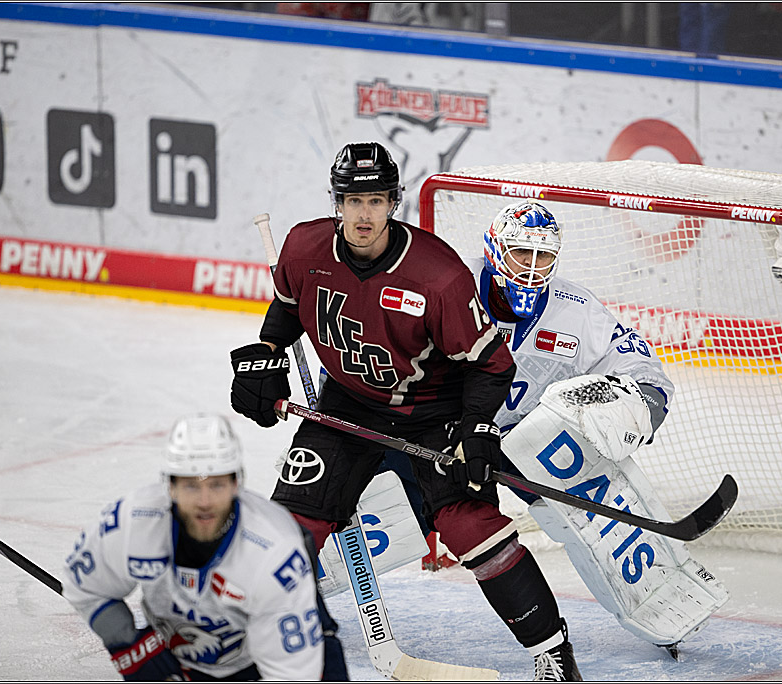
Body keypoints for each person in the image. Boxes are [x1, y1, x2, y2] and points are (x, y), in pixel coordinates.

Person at [229, 142, 582, 681]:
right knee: (289, 528)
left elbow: (490, 365)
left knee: (473, 528)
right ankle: (254, 642)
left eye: (375, 200)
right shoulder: (303, 247)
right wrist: (268, 353)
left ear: (394, 202)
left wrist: (478, 429)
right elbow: (288, 304)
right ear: (336, 202)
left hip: (433, 412)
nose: (364, 214)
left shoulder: (436, 273)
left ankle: (553, 653)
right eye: (353, 200)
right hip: (346, 406)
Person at [382, 200, 729, 654]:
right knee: (377, 506)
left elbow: (644, 371)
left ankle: (658, 600)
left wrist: (639, 407)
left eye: (542, 255)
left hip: (528, 439)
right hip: (443, 436)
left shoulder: (575, 310)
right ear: (494, 252)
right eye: (520, 253)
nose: (531, 267)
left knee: (590, 509)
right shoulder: (450, 287)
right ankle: (305, 575)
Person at [62, 413, 344, 681]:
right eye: (191, 486)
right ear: (170, 486)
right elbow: (86, 588)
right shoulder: (130, 522)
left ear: (236, 484)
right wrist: (129, 645)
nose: (205, 502)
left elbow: (292, 674)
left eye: (217, 485)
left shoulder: (274, 550)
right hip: (181, 656)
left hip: (274, 659)